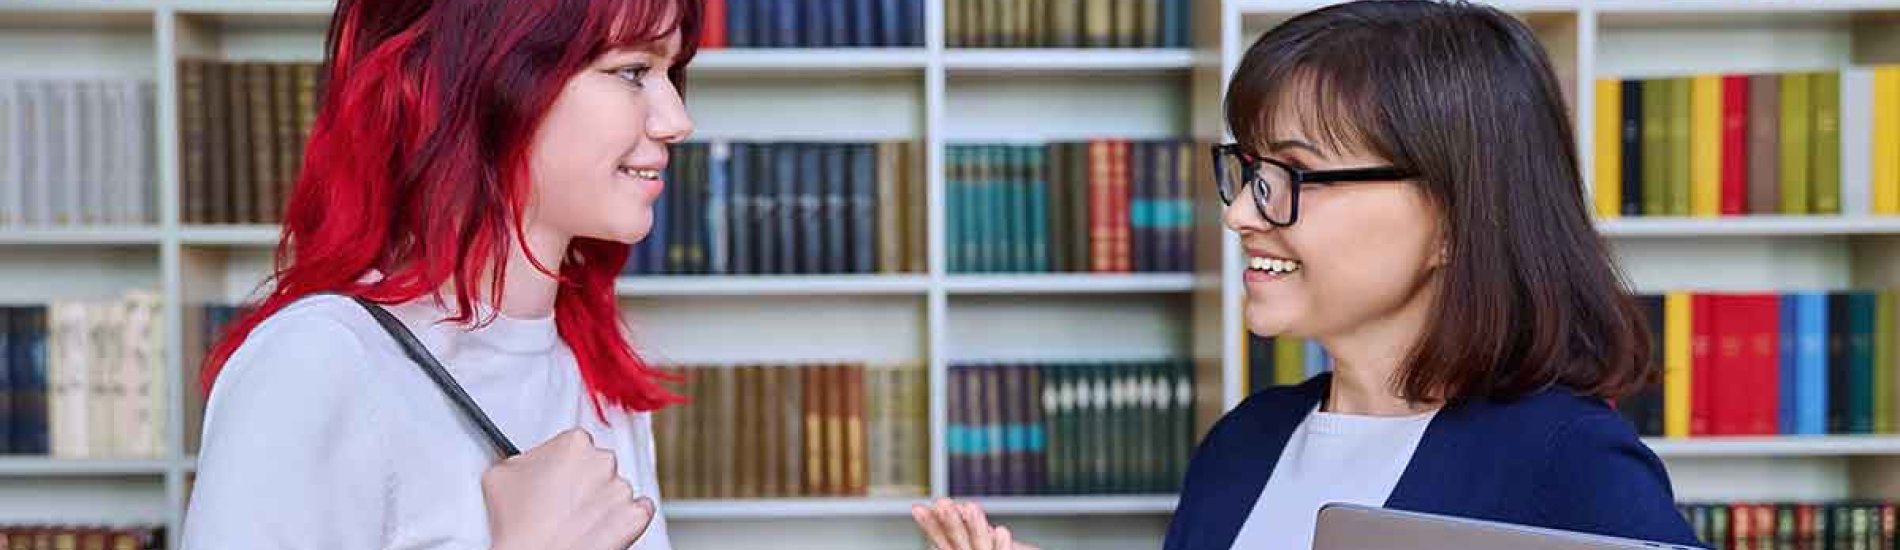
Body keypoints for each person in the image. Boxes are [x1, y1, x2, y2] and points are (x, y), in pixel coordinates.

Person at [912, 1, 1705, 549]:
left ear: (1456, 217)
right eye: (1247, 171)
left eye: (1292, 175)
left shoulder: (1569, 464)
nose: (1243, 214)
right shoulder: (1243, 444)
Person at [180, 0, 697, 548]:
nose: (678, 122)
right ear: (486, 81)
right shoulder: (317, 365)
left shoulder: (599, 379)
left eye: (671, 72)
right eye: (633, 71)